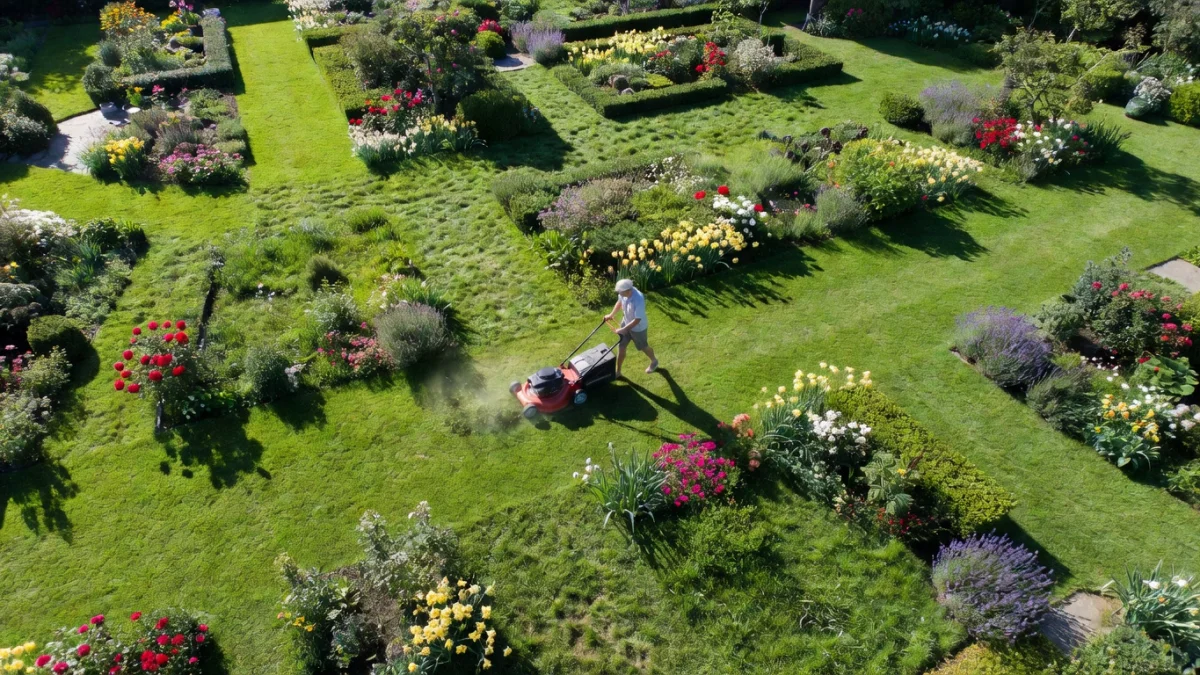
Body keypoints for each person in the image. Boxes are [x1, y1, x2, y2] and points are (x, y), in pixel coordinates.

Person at [605, 278, 658, 377]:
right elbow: (619, 303)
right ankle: (618, 371)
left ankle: (654, 361)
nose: (619, 294)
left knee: (643, 347)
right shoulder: (623, 293)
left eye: (621, 292)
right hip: (626, 322)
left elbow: (637, 319)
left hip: (638, 328)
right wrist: (611, 314)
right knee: (621, 347)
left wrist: (624, 329)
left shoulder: (638, 299)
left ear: (628, 291)